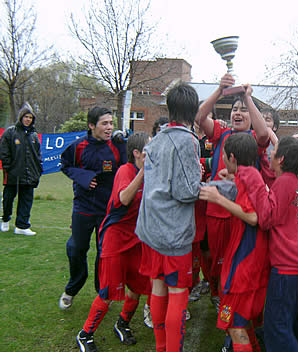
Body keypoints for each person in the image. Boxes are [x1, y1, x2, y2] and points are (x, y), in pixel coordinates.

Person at [237, 136, 298, 352]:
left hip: (289, 267)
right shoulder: (294, 180)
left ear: (281, 159)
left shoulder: (284, 182)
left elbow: (266, 219)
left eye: (273, 153)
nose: (270, 155)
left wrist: (253, 179)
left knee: (277, 327)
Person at [195, 73, 269, 312]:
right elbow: (199, 117)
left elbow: (265, 134)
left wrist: (248, 99)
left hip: (242, 212)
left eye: (243, 110)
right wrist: (219, 90)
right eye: (235, 109)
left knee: (237, 259)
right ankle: (216, 292)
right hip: (216, 210)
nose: (238, 113)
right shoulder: (222, 134)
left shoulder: (253, 140)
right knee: (215, 257)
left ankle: (237, 299)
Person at [136, 83, 201, 352]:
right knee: (177, 292)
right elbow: (186, 191)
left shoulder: (157, 138)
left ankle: (162, 347)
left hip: (150, 227)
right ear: (193, 110)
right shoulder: (186, 140)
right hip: (173, 231)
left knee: (158, 288)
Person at [76, 132, 151, 352]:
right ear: (137, 153)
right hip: (115, 239)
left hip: (136, 239)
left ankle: (122, 324)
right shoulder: (125, 171)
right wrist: (144, 173)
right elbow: (124, 199)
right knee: (108, 291)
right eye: (148, 149)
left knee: (138, 286)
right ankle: (85, 334)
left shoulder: (150, 171)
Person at [199, 133, 270, 352]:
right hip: (253, 256)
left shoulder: (248, 176)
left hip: (245, 259)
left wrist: (217, 198)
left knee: (234, 325)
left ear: (231, 156)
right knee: (244, 318)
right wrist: (229, 180)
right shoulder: (249, 173)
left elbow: (253, 217)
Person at [59, 107, 127, 310]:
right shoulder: (78, 147)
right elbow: (65, 165)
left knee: (104, 252)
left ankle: (102, 292)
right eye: (104, 123)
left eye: (111, 123)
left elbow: (126, 169)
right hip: (83, 206)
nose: (109, 128)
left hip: (107, 210)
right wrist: (85, 178)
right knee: (76, 248)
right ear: (91, 126)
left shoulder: (117, 146)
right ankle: (72, 288)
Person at [0, 102, 42, 236]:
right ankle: (5, 219)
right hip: (13, 173)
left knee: (26, 200)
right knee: (8, 199)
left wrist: (38, 169)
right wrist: (8, 167)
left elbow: (37, 155)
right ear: (21, 118)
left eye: (30, 117)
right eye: (26, 117)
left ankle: (22, 226)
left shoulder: (34, 136)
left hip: (29, 175)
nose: (28, 119)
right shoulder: (10, 132)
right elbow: (4, 152)